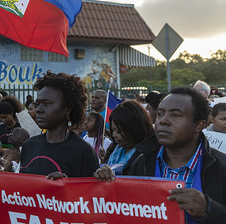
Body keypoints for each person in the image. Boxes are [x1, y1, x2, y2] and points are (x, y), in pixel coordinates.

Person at [95, 87, 226, 223]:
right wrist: (105, 187)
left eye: (175, 115)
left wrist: (208, 209)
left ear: (199, 125)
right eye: (160, 114)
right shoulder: (140, 164)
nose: (163, 121)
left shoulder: (221, 167)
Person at [20, 71, 99, 179]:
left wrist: (64, 187)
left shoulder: (83, 152)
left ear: (67, 108)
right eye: (38, 104)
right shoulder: (29, 146)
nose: (39, 110)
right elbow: (21, 189)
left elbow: (91, 193)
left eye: (47, 104)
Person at [103, 101, 155, 174]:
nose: (114, 135)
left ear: (134, 128)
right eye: (113, 130)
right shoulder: (113, 149)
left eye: (118, 131)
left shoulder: (149, 154)